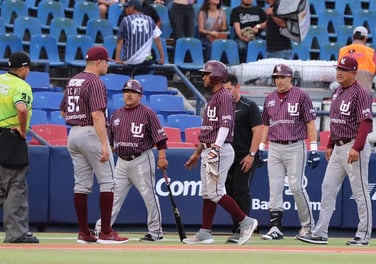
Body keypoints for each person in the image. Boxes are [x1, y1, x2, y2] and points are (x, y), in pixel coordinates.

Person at [296, 56, 373, 246]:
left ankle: (363, 234)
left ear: (354, 73)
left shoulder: (361, 93)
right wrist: (330, 144)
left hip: (354, 145)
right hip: (339, 146)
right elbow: (336, 121)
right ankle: (320, 233)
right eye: (338, 68)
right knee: (327, 187)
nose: (339, 72)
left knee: (360, 191)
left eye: (344, 70)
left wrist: (357, 147)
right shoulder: (338, 92)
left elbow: (366, 123)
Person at [183, 60, 258, 245]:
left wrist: (215, 147)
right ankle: (205, 232)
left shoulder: (224, 96)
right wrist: (199, 151)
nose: (203, 77)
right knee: (208, 193)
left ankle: (246, 221)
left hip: (220, 149)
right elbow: (209, 128)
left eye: (206, 74)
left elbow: (225, 124)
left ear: (216, 75)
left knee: (216, 192)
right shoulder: (213, 97)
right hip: (209, 148)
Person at [60, 46, 128, 244]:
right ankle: (106, 232)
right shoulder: (95, 82)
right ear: (99, 62)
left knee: (81, 185)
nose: (107, 65)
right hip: (91, 132)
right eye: (106, 62)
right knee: (108, 182)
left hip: (73, 133)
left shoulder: (74, 80)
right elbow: (97, 114)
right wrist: (105, 144)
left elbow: (64, 112)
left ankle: (83, 232)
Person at [94, 79, 168, 242]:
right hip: (121, 161)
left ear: (140, 96)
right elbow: (110, 139)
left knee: (149, 196)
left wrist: (162, 157)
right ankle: (102, 229)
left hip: (141, 158)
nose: (129, 94)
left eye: (133, 92)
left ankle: (156, 232)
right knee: (113, 196)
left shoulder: (147, 113)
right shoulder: (117, 114)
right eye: (126, 91)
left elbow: (160, 138)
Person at [259, 63, 319, 240]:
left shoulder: (301, 96)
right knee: (275, 188)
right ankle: (276, 228)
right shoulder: (269, 97)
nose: (279, 80)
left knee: (296, 186)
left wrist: (313, 148)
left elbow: (310, 122)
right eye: (276, 77)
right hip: (275, 146)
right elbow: (266, 124)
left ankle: (308, 227)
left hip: (295, 145)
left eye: (282, 77)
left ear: (290, 78)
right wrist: (261, 148)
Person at [0, 52, 39, 244]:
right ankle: (17, 234)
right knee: (16, 187)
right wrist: (23, 130)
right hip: (10, 139)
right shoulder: (21, 86)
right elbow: (22, 108)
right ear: (23, 68)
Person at [223, 73, 262, 243]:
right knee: (229, 192)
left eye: (229, 89)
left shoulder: (249, 106)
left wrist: (251, 155)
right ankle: (237, 228)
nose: (227, 93)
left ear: (238, 87)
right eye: (224, 90)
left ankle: (244, 229)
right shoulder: (222, 106)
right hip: (226, 157)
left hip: (244, 156)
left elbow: (258, 131)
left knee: (241, 191)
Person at [115, 0, 165, 75]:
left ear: (131, 8)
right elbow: (157, 39)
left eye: (127, 7)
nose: (125, 10)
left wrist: (117, 59)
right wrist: (162, 58)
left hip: (129, 61)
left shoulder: (125, 20)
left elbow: (120, 41)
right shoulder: (150, 20)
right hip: (146, 61)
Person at [338, 26, 376, 92]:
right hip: (364, 92)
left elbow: (339, 72)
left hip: (346, 93)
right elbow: (375, 72)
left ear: (353, 37)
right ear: (365, 38)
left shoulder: (343, 50)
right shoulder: (371, 52)